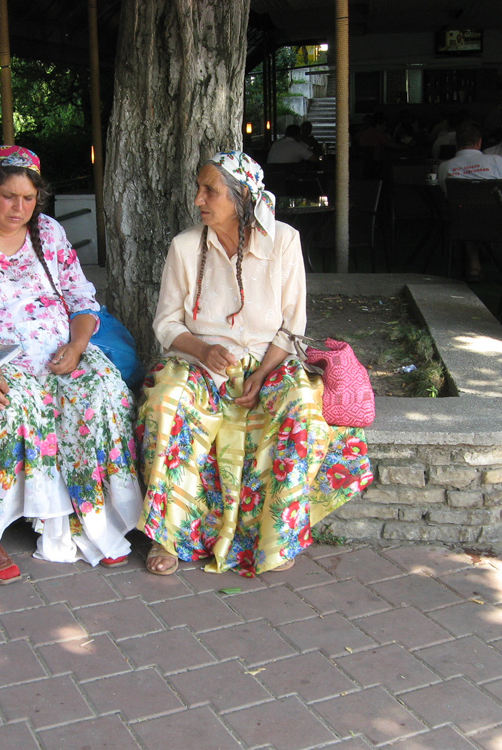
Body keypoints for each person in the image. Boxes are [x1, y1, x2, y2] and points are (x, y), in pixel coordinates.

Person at [137, 151, 374, 577]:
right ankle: (167, 535)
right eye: (199, 189)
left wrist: (263, 375)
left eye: (210, 190)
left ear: (242, 196)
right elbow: (167, 322)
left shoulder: (283, 241)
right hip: (201, 364)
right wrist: (202, 350)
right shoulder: (186, 247)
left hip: (270, 361)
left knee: (302, 405)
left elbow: (292, 325)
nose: (198, 200)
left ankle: (276, 537)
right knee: (167, 403)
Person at [0, 145, 141, 585]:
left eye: (28, 198)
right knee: (12, 404)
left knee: (103, 388)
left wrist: (78, 346)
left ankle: (86, 513)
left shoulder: (50, 233)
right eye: (7, 197)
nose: (19, 208)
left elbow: (82, 300)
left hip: (60, 351)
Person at [438, 120, 502, 282]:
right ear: (479, 142)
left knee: (466, 210)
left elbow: (447, 193)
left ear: (457, 143)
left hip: (463, 224)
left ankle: (474, 264)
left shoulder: (445, 167)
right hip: (499, 222)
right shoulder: (496, 162)